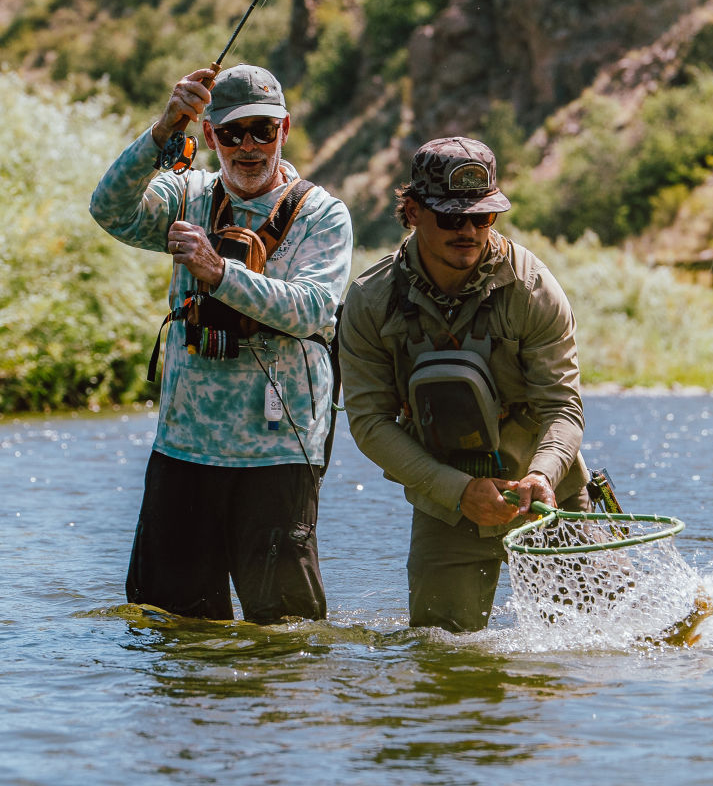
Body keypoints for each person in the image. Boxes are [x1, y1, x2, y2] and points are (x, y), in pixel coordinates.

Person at [90, 64, 352, 623]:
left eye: (262, 130)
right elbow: (108, 210)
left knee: (286, 635)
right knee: (170, 624)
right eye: (231, 133)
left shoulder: (324, 214)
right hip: (184, 450)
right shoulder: (185, 193)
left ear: (285, 129)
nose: (248, 146)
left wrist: (219, 274)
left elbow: (311, 310)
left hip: (280, 454)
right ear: (209, 136)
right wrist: (163, 129)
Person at [338, 137, 589, 633]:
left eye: (483, 217)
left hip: (544, 494)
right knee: (440, 653)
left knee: (592, 648)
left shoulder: (533, 288)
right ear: (411, 211)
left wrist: (543, 476)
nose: (469, 231)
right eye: (452, 218)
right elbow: (368, 422)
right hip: (447, 502)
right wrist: (459, 491)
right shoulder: (370, 301)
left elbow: (563, 406)